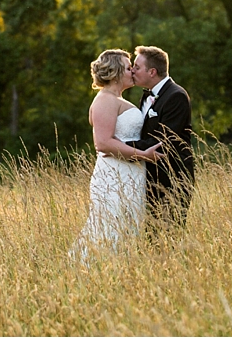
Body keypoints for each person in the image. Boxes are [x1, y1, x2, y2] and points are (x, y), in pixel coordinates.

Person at [70, 49, 163, 261]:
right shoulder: (105, 100)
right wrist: (143, 154)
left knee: (127, 227)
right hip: (114, 176)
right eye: (128, 65)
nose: (132, 70)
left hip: (129, 175)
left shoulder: (116, 99)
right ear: (115, 71)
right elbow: (103, 143)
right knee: (110, 226)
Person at [123, 45, 195, 231]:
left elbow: (163, 141)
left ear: (152, 71)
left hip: (172, 179)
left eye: (137, 67)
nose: (132, 70)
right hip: (149, 177)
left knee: (167, 235)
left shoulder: (176, 96)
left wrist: (120, 147)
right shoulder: (147, 96)